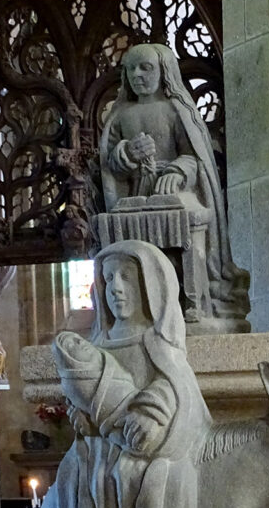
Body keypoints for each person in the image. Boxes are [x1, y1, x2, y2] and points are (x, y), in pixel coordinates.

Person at [36, 239, 210, 508]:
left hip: (151, 445)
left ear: (150, 285)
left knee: (163, 478)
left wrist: (153, 416)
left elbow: (176, 388)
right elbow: (88, 401)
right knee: (75, 474)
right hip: (103, 449)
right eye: (108, 278)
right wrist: (82, 417)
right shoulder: (98, 344)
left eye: (127, 278)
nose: (115, 287)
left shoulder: (157, 343)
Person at [98, 43, 248, 323]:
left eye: (146, 67)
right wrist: (128, 154)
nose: (137, 75)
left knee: (181, 235)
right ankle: (143, 301)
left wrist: (177, 172)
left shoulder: (175, 110)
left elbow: (194, 156)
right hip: (138, 192)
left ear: (164, 71)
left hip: (175, 191)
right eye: (130, 69)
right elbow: (110, 166)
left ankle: (190, 299)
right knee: (133, 236)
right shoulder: (120, 115)